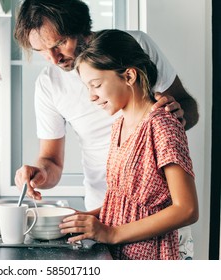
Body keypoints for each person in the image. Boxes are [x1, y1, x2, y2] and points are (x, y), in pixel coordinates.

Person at [13, 0, 198, 258]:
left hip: (152, 232)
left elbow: (186, 208)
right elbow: (52, 161)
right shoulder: (114, 123)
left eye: (58, 44)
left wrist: (175, 120)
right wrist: (44, 177)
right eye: (41, 51)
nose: (53, 59)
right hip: (107, 216)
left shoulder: (135, 48)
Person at [58, 29, 199, 260]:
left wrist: (111, 234)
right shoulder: (118, 126)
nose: (91, 96)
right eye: (87, 88)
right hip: (123, 255)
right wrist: (85, 218)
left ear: (129, 77)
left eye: (96, 85)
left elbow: (187, 209)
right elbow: (123, 203)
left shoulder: (162, 125)